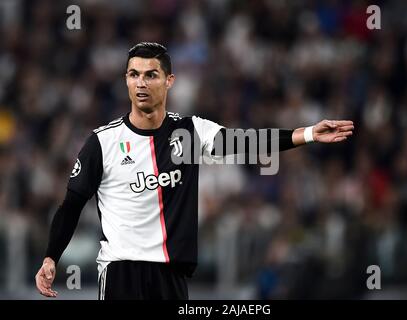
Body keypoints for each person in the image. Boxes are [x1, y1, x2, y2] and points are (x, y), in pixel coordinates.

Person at [35, 42, 354, 300]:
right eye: (134, 75)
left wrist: (309, 134)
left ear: (169, 81)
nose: (141, 83)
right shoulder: (103, 142)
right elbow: (71, 205)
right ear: (126, 80)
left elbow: (245, 142)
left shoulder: (187, 133)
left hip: (172, 275)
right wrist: (51, 257)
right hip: (122, 273)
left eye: (151, 75)